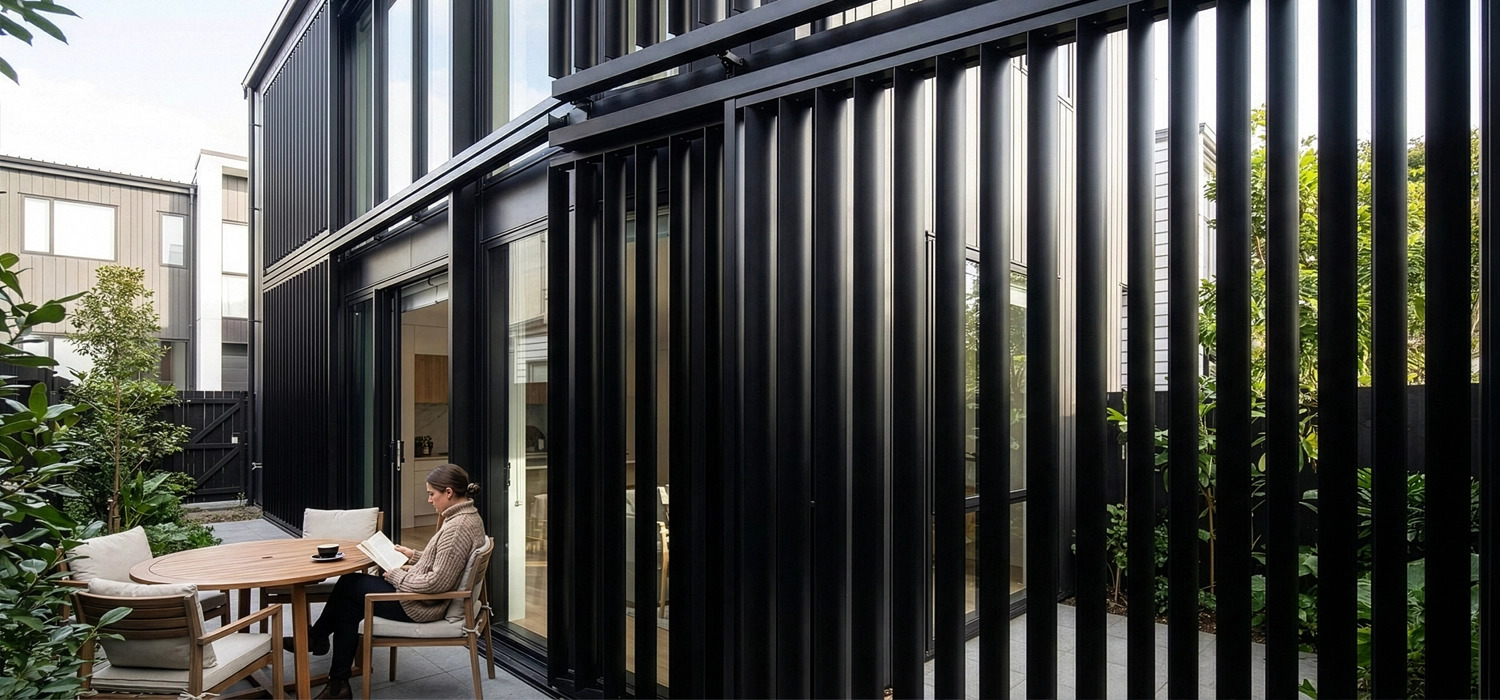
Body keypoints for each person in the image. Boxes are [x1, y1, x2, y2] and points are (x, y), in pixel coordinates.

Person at [289, 464, 487, 699]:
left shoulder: (457, 527)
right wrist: (412, 555)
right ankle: (334, 674)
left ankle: (322, 648)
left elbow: (436, 583)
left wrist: (396, 574)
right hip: (420, 594)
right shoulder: (466, 518)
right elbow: (447, 562)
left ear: (448, 492)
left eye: (431, 494)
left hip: (422, 605)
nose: (429, 500)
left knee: (349, 587)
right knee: (349, 598)